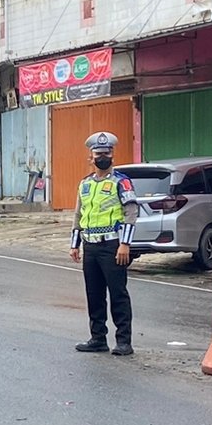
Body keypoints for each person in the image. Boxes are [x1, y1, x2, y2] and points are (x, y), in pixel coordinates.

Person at [69, 131, 139, 357]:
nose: (102, 157)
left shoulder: (121, 182)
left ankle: (124, 341)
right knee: (94, 294)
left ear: (112, 155)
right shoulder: (85, 184)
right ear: (90, 157)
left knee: (118, 294)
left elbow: (131, 213)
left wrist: (125, 244)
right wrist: (74, 244)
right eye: (98, 154)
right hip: (90, 246)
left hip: (112, 246)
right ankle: (98, 338)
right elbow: (79, 214)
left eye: (106, 153)